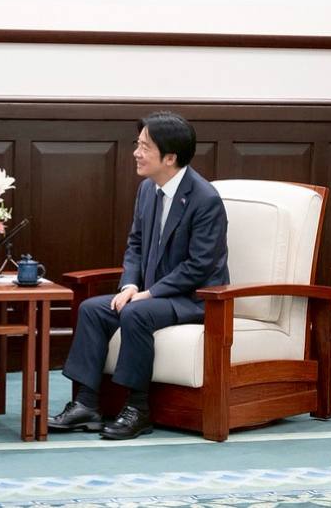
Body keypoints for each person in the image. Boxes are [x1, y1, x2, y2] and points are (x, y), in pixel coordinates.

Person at [48, 111, 229, 440]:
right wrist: (131, 283)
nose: (136, 152)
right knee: (93, 309)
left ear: (170, 157)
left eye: (145, 147)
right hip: (151, 294)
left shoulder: (205, 199)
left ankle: (138, 408)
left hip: (197, 299)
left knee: (135, 312)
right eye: (138, 144)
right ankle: (86, 403)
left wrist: (149, 293)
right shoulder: (148, 189)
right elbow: (135, 245)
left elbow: (199, 265)